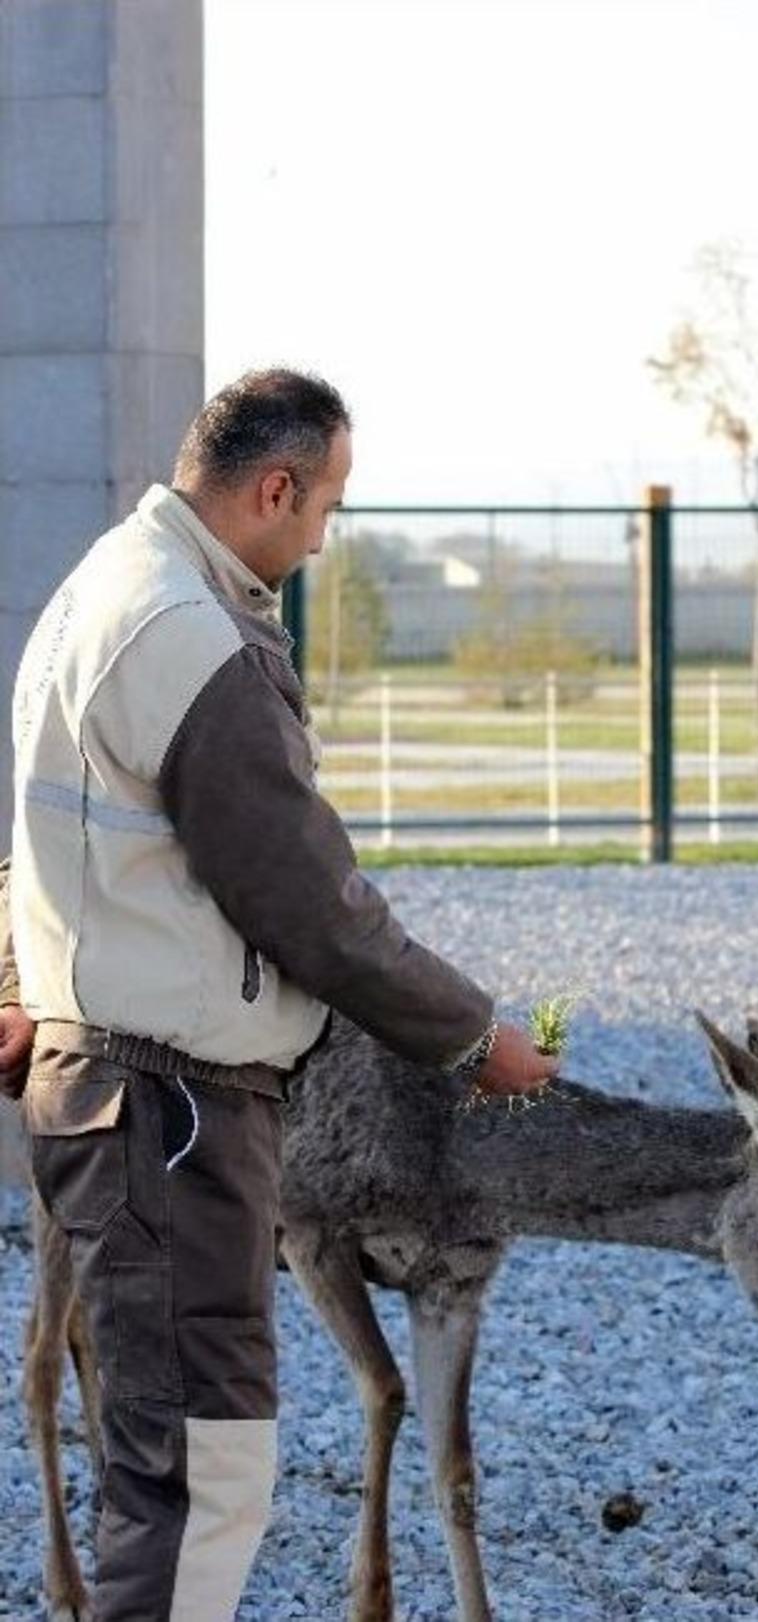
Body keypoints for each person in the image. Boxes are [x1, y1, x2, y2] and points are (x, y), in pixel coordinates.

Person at [0, 369, 556, 1621]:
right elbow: (306, 894)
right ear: (275, 485)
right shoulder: (187, 634)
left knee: (172, 1471)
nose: (323, 535)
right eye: (327, 504)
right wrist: (474, 1037)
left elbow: (43, 841)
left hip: (117, 1089)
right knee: (201, 1476)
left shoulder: (98, 591)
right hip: (171, 1101)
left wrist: (32, 985)